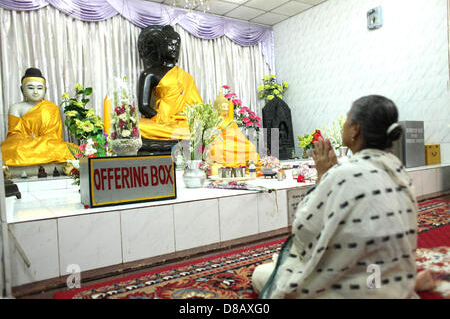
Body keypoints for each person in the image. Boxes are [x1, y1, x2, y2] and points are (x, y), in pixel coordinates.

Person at [253, 95, 430, 298]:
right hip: (386, 275)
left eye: (347, 119)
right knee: (284, 261)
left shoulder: (343, 174)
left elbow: (304, 229)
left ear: (355, 130)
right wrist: (332, 176)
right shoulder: (398, 170)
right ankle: (403, 283)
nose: (344, 124)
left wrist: (323, 176)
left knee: (264, 274)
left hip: (358, 289)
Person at [136, 25, 257, 165]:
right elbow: (143, 106)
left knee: (226, 123)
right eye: (169, 45)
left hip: (187, 120)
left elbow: (198, 105)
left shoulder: (187, 77)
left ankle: (240, 155)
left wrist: (197, 117)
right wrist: (162, 118)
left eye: (177, 45)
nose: (174, 48)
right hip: (163, 121)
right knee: (139, 126)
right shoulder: (149, 74)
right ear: (160, 48)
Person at [1, 68, 74, 166]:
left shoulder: (52, 108)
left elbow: (54, 136)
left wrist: (37, 141)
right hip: (24, 144)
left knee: (69, 149)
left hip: (47, 144)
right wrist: (28, 140)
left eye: (39, 88)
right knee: (12, 149)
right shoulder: (16, 107)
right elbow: (14, 134)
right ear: (22, 89)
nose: (35, 92)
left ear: (45, 90)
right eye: (30, 88)